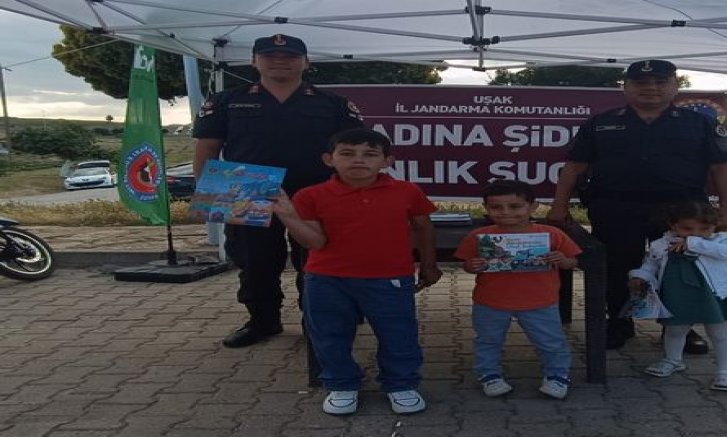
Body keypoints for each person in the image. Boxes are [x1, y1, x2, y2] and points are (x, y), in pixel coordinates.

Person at [546, 59, 727, 351]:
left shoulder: (700, 123)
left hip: (681, 211)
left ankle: (679, 326)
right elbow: (573, 168)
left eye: (660, 82)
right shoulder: (601, 123)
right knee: (616, 268)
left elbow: (723, 169)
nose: (651, 88)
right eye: (641, 82)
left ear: (675, 86)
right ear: (625, 87)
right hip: (616, 208)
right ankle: (619, 323)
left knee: (681, 268)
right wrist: (559, 206)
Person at [193, 34, 365, 348]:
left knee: (316, 260)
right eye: (270, 56)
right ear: (254, 61)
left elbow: (353, 151)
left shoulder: (333, 103)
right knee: (254, 261)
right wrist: (209, 192)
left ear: (306, 62)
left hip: (314, 190)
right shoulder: (226, 101)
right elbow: (207, 148)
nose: (279, 61)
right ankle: (262, 321)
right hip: (244, 187)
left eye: (289, 57)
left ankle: (315, 322)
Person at [271, 128, 442, 415]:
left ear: (387, 161)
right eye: (347, 153)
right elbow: (315, 242)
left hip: (390, 279)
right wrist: (287, 215)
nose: (358, 160)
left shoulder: (407, 191)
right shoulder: (310, 195)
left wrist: (429, 265)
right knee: (329, 335)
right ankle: (341, 384)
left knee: (398, 334)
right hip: (327, 280)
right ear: (329, 159)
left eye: (370, 154)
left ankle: (401, 384)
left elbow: (424, 228)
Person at [454, 180, 582, 400]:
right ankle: (489, 375)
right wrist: (471, 265)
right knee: (488, 341)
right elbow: (466, 264)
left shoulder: (551, 234)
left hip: (540, 302)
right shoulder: (479, 236)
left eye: (514, 206)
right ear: (486, 208)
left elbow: (573, 261)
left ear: (533, 207)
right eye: (496, 207)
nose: (505, 212)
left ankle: (557, 376)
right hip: (491, 302)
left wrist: (562, 260)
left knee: (551, 341)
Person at [628, 201, 727, 391]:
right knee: (675, 329)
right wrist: (641, 276)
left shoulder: (720, 241)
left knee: (719, 332)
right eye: (687, 229)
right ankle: (673, 360)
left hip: (713, 295)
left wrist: (693, 244)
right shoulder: (662, 245)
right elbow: (651, 265)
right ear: (673, 225)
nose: (695, 233)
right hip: (678, 295)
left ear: (714, 225)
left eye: (705, 229)